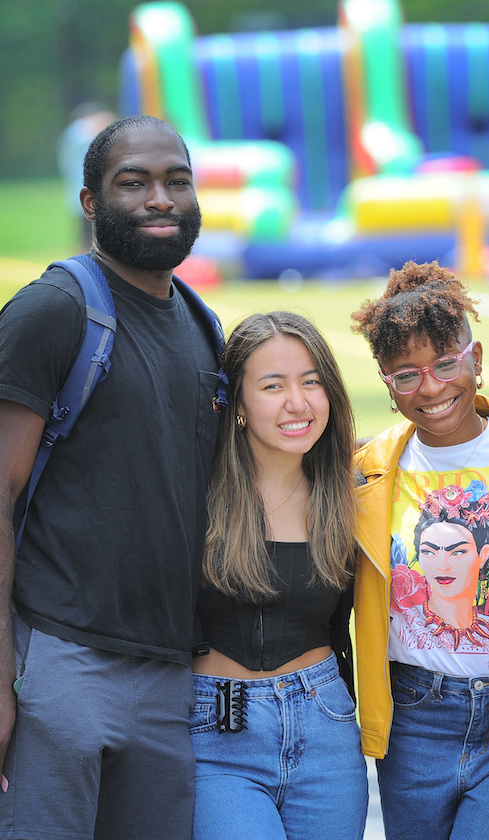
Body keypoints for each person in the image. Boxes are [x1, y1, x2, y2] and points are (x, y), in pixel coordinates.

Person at [0, 115, 219, 839]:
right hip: (61, 663)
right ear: (91, 201)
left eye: (176, 181)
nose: (160, 198)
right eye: (135, 183)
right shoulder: (53, 311)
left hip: (168, 676)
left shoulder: (201, 323)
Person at [351, 260, 489, 840]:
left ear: (474, 360)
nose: (431, 387)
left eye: (445, 363)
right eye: (406, 375)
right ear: (387, 384)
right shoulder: (367, 472)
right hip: (414, 720)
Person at [191, 311, 368, 839]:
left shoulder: (354, 493)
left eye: (312, 382)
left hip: (326, 727)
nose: (299, 403)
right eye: (273, 386)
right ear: (237, 403)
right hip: (218, 729)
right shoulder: (194, 488)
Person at [58, 103, 117, 250]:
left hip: (78, 189)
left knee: (87, 231)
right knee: (91, 232)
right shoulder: (80, 131)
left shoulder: (70, 135)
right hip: (89, 189)